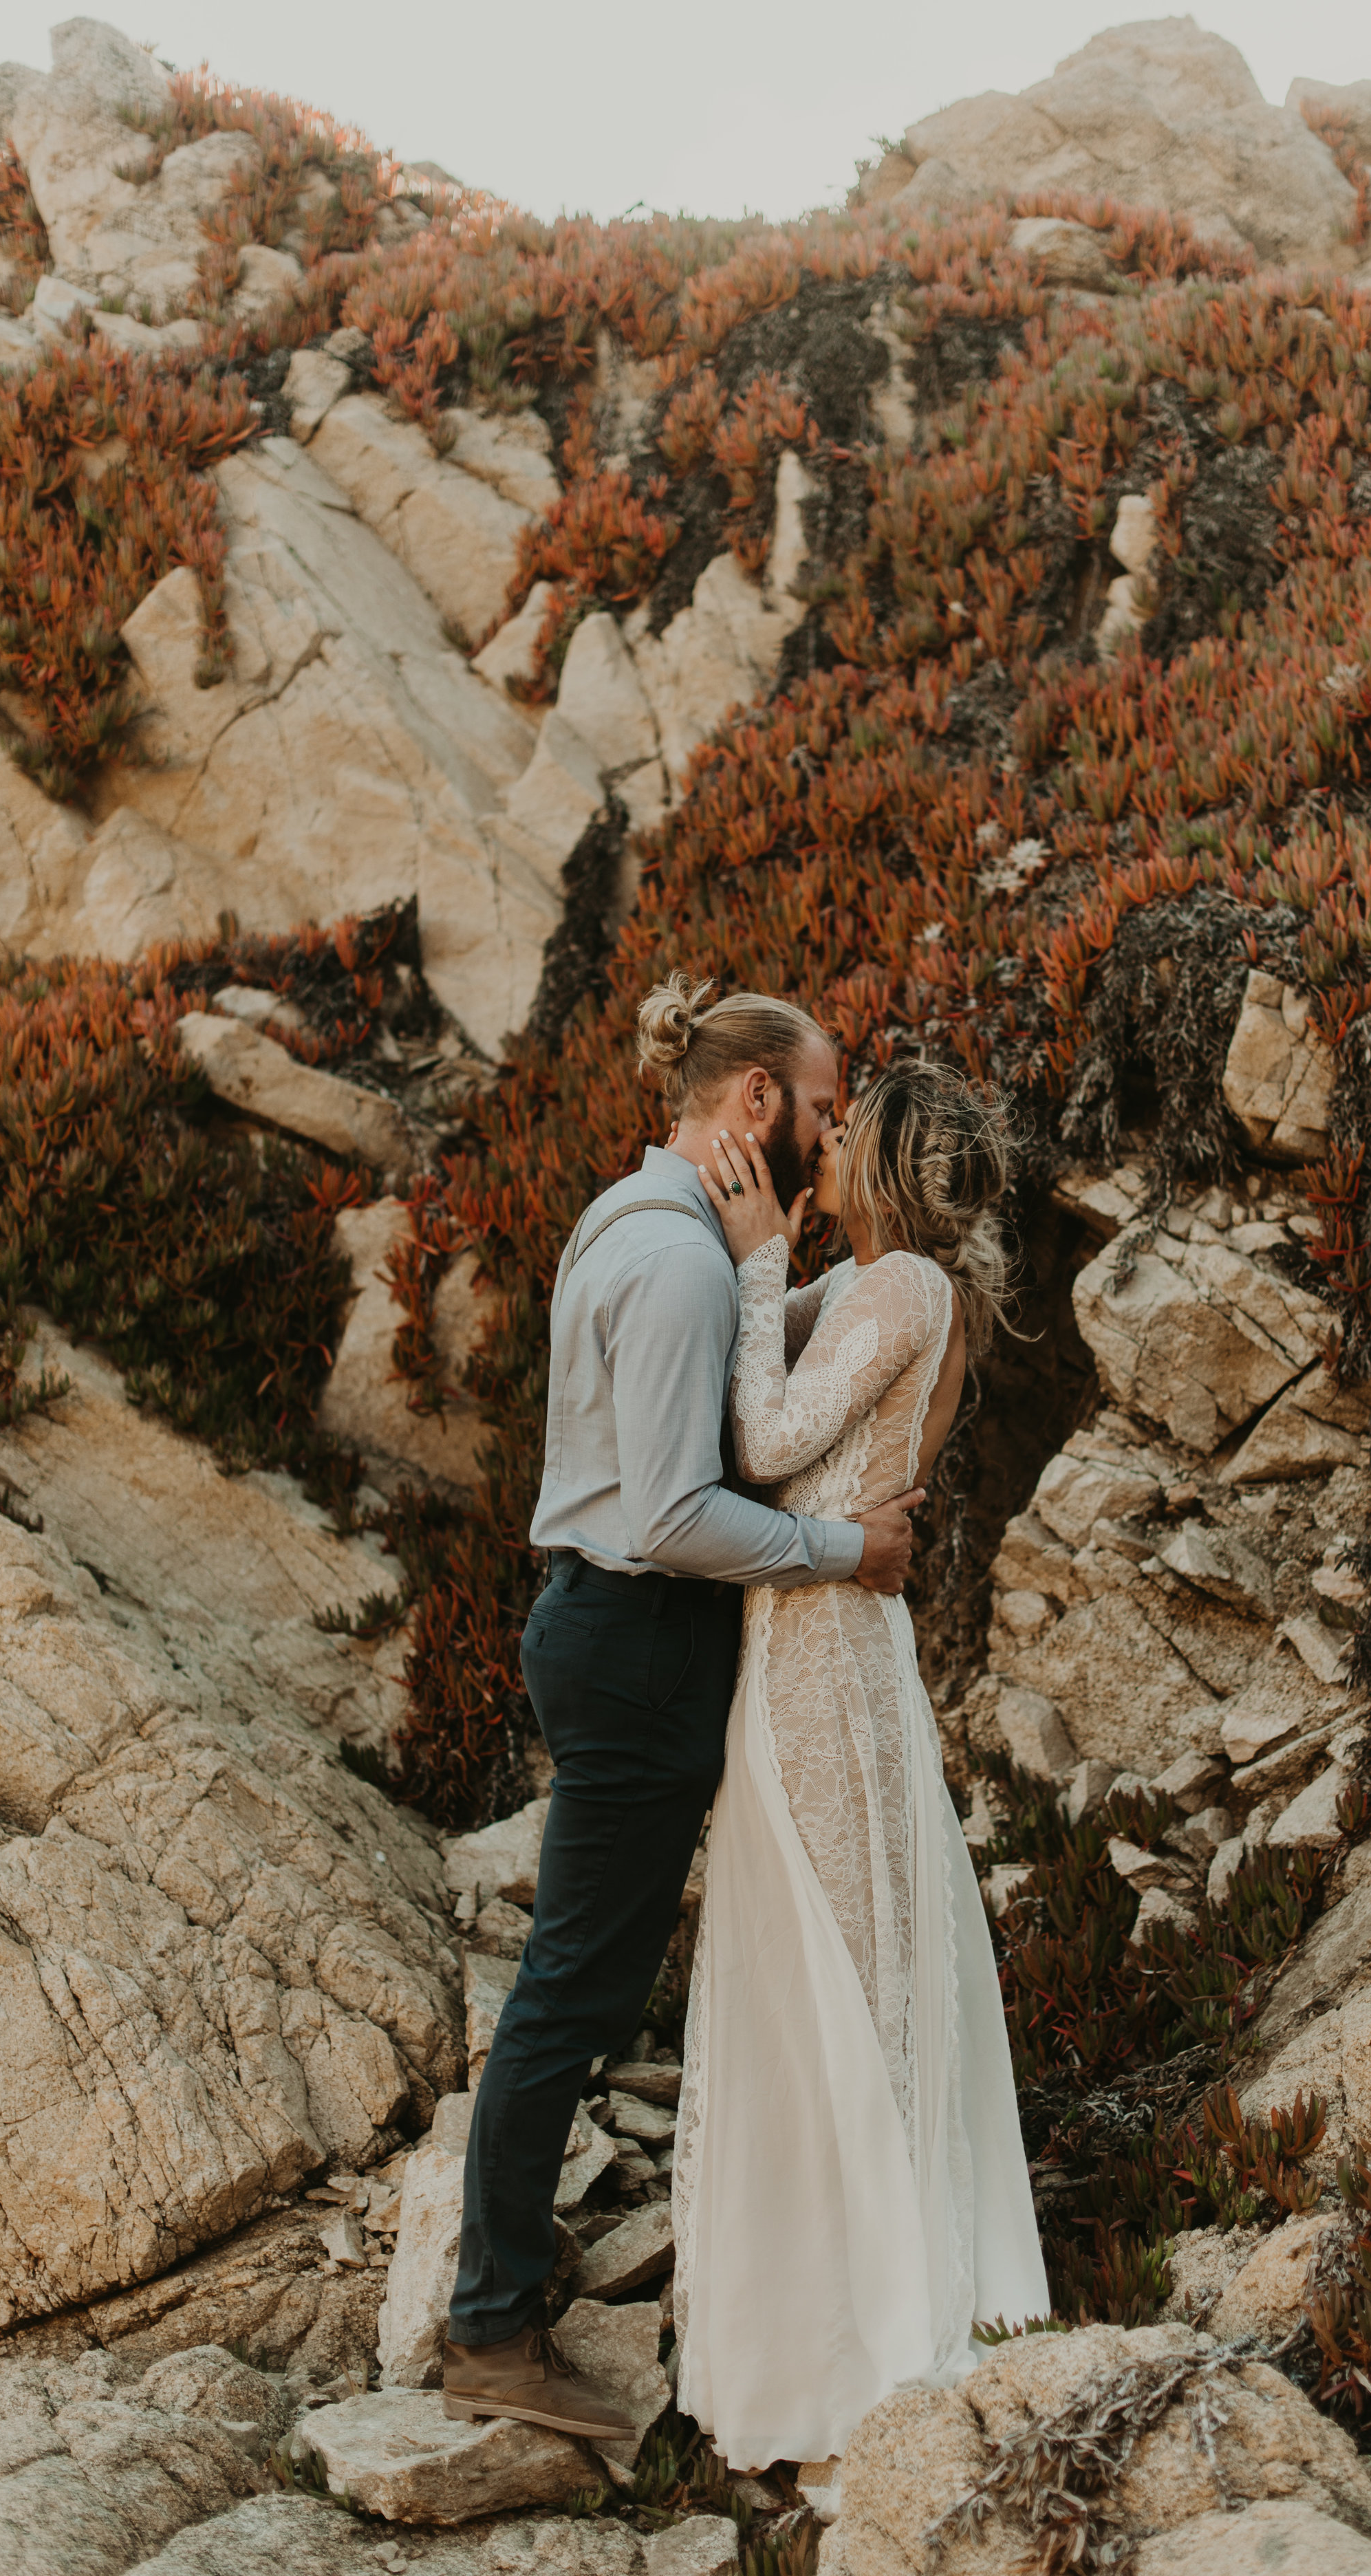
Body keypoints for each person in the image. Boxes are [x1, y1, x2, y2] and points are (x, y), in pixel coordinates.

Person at [442, 977, 925, 2440]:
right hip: (639, 1636)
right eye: (825, 1107)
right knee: (572, 1994)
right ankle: (490, 2326)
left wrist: (780, 1280)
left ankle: (515, 2284)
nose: (833, 1132)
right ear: (756, 1104)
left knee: (582, 1981)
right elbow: (665, 1512)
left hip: (618, 1638)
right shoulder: (678, 1268)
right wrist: (849, 1551)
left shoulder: (639, 1222)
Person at [671, 1059, 1048, 2476]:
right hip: (818, 1648)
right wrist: (755, 1267)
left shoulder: (900, 1290)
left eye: (838, 1135)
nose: (814, 1147)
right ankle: (834, 2306)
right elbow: (759, 1382)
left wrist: (763, 1259)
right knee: (831, 1956)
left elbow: (765, 1439)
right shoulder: (893, 1290)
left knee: (834, 1963)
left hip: (824, 1657)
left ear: (884, 1160)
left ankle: (867, 2327)